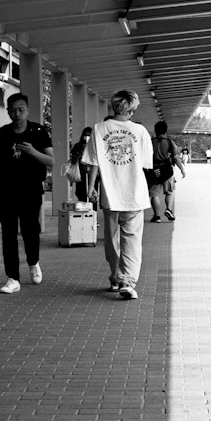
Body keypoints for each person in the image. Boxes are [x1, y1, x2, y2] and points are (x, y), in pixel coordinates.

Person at [83, 89, 153, 300]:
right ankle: (127, 281)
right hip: (134, 193)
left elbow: (94, 160)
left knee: (112, 240)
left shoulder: (99, 128)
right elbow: (145, 165)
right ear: (132, 109)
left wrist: (91, 186)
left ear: (113, 106)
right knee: (132, 240)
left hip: (110, 194)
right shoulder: (140, 131)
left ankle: (116, 276)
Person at [0, 93, 54, 293]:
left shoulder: (38, 131)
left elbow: (51, 161)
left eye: (21, 109)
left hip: (31, 188)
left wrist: (32, 151)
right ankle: (12, 278)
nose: (17, 114)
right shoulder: (4, 132)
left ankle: (33, 262)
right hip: (7, 188)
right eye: (13, 110)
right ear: (7, 110)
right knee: (8, 232)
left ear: (27, 110)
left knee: (30, 229)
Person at [148, 121, 186, 221]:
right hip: (166, 170)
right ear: (166, 131)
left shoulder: (150, 142)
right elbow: (176, 158)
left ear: (155, 130)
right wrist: (182, 169)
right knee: (169, 192)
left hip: (153, 170)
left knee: (154, 194)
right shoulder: (170, 142)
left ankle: (156, 216)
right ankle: (168, 209)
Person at [69, 126, 98, 207]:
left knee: (92, 195)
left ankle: (93, 212)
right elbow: (73, 160)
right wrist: (81, 152)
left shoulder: (95, 146)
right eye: (85, 135)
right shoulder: (77, 146)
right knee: (81, 193)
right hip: (81, 174)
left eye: (89, 135)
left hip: (92, 175)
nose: (87, 137)